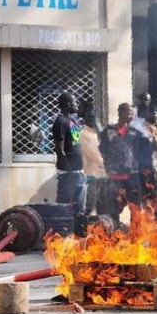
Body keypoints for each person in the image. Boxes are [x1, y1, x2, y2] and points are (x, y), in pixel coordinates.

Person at [99, 103, 152, 227]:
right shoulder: (108, 132)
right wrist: (108, 165)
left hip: (132, 177)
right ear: (120, 113)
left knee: (136, 208)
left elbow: (142, 152)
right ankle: (114, 235)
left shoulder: (135, 133)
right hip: (114, 177)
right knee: (113, 209)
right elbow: (102, 149)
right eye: (129, 113)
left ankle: (135, 238)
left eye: (132, 113)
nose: (131, 116)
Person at [52, 92, 87, 237]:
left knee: (80, 207)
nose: (77, 105)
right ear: (68, 104)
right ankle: (59, 236)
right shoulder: (60, 122)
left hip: (79, 172)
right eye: (75, 102)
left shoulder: (72, 120)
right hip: (69, 174)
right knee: (64, 205)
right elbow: (60, 151)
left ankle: (78, 236)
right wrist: (69, 170)